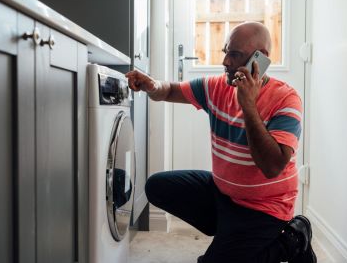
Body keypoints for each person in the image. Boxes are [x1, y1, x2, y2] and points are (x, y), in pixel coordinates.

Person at [126, 22, 316, 263]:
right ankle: (230, 232)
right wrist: (152, 85)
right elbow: (169, 90)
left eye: (234, 54)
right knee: (157, 187)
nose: (225, 61)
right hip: (223, 194)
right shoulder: (216, 87)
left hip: (265, 209)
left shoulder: (286, 99)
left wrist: (248, 105)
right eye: (226, 52)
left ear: (261, 59)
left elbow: (272, 167)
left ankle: (289, 243)